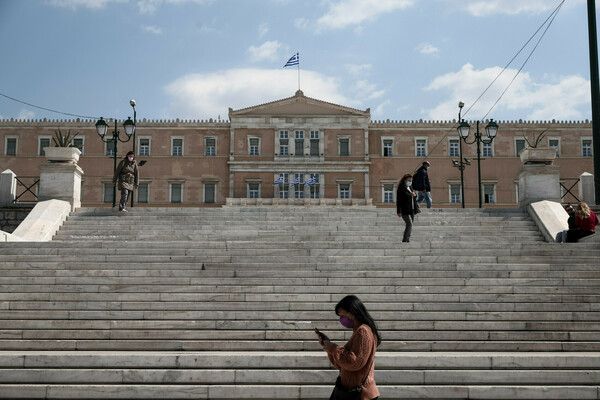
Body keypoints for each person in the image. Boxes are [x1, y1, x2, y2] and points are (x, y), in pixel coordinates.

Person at [316, 295, 381, 400]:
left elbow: (355, 363)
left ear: (351, 314)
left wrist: (334, 348)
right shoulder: (359, 331)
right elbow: (343, 365)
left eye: (342, 316)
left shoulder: (363, 331)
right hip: (351, 391)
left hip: (360, 394)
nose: (341, 320)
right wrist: (329, 348)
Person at [396, 173, 419, 243]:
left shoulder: (410, 187)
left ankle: (408, 238)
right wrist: (399, 211)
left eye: (411, 181)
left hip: (412, 209)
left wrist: (415, 195)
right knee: (409, 224)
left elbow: (414, 196)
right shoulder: (401, 189)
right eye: (409, 180)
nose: (410, 182)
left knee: (410, 225)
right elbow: (399, 201)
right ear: (404, 180)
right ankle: (405, 239)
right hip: (404, 210)